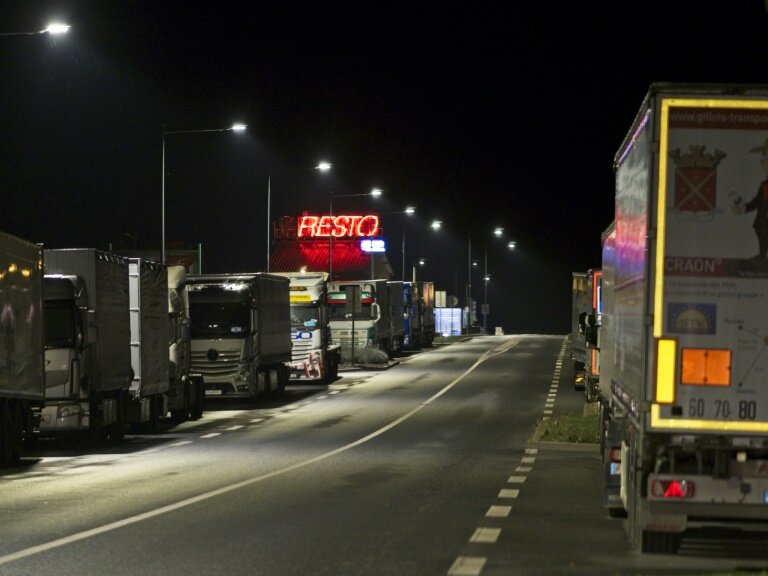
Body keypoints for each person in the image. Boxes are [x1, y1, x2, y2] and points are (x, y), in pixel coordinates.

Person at [733, 137, 768, 259]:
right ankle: (763, 256)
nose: (763, 162)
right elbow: (758, 201)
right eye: (764, 158)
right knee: (762, 234)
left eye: (766, 159)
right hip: (763, 220)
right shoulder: (764, 185)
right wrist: (744, 208)